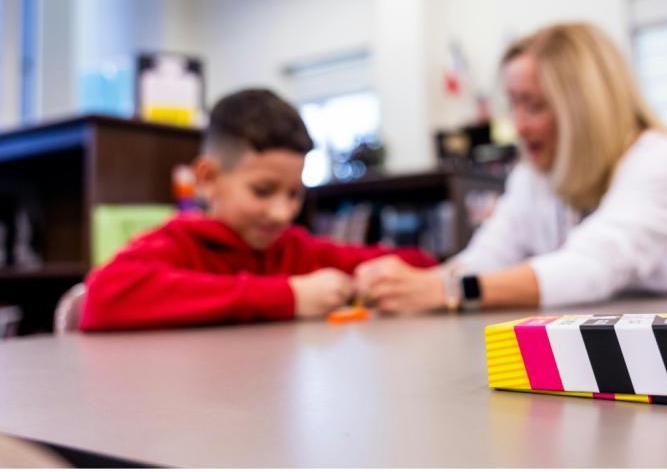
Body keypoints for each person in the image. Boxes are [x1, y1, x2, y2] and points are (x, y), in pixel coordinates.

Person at [354, 22, 667, 313]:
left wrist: (448, 288)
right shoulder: (534, 175)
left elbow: (592, 267)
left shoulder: (658, 159)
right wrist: (411, 284)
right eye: (512, 104)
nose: (519, 124)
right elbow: (487, 256)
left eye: (534, 104)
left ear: (585, 107)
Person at [80, 89, 436, 331]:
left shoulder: (294, 249)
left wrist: (380, 278)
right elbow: (102, 298)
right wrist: (289, 296)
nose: (282, 213)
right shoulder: (177, 243)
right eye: (262, 191)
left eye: (295, 194)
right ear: (207, 178)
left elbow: (421, 263)